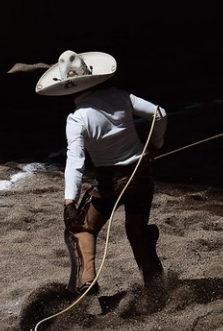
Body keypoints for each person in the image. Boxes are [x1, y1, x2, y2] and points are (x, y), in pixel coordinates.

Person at [35, 50, 168, 295]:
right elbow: (160, 114)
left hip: (110, 184)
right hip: (141, 177)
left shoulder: (77, 119)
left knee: (80, 228)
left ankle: (87, 281)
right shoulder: (121, 97)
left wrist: (69, 201)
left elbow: (75, 161)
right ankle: (155, 288)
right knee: (136, 232)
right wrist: (155, 145)